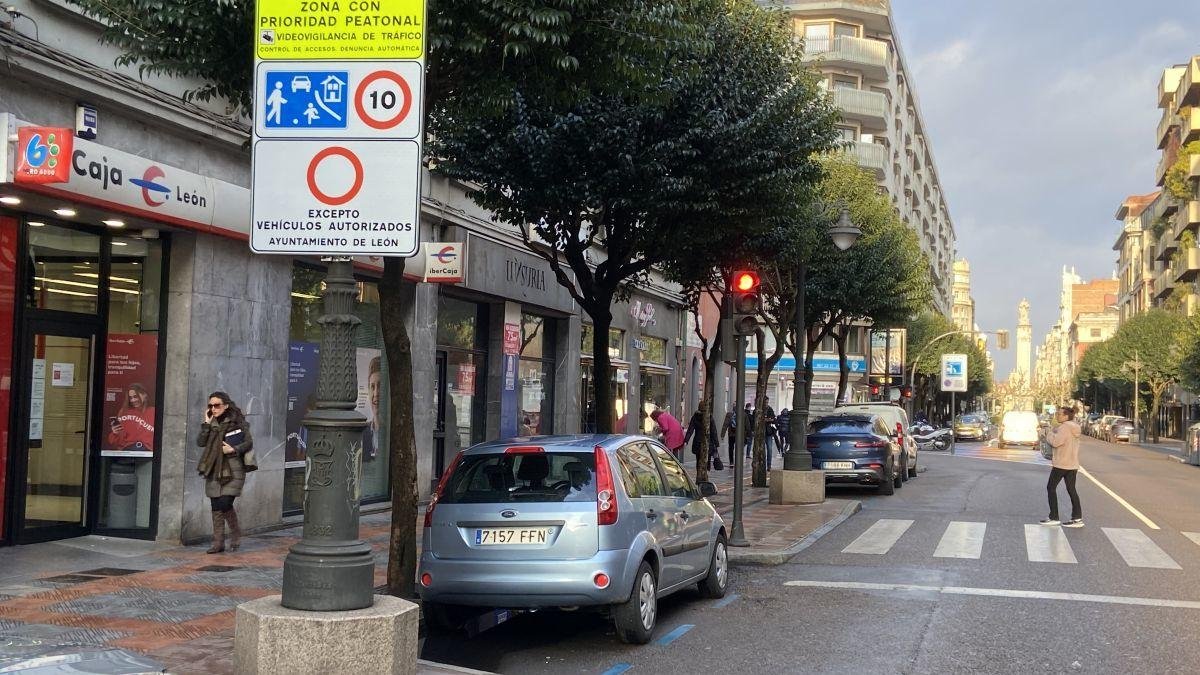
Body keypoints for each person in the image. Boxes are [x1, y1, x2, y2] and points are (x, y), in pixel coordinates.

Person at [197, 391, 253, 554]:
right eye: (210, 406)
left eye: (217, 405)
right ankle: (218, 543)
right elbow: (200, 442)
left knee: (225, 503)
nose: (213, 409)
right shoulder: (211, 423)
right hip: (214, 468)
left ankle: (235, 533)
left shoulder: (238, 421)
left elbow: (248, 442)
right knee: (216, 505)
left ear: (226, 405)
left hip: (234, 468)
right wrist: (206, 424)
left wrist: (233, 449)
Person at [1041, 405, 1083, 528]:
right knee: (1071, 490)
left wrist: (1049, 434)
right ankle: (1077, 518)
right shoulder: (1075, 427)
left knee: (1051, 488)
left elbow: (1056, 442)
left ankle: (1054, 517)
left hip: (1061, 463)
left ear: (1066, 416)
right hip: (1072, 464)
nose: (1057, 416)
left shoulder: (1065, 427)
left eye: (1059, 414)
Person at [107, 383, 155, 453]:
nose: (133, 400)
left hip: (147, 452)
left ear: (144, 395)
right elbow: (115, 442)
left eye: (135, 396)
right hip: (127, 451)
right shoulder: (124, 412)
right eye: (130, 398)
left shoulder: (153, 411)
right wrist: (115, 433)